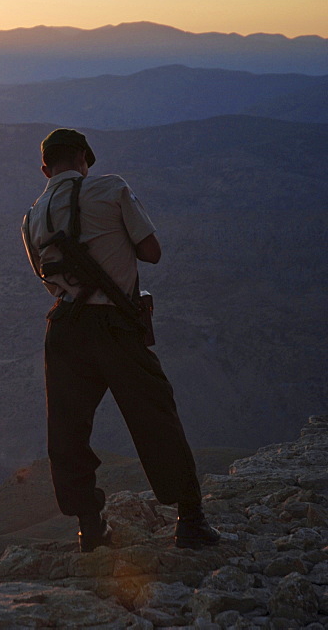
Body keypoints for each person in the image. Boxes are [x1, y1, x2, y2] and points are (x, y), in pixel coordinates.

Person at [21, 128, 220, 552]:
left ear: (44, 169)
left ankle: (90, 529)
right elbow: (151, 251)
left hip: (63, 330)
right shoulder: (111, 188)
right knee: (154, 415)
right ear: (83, 159)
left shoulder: (31, 217)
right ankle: (190, 521)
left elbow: (49, 281)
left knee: (68, 430)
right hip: (114, 325)